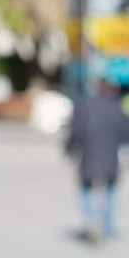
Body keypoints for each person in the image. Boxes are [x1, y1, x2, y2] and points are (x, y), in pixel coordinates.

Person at [65, 78, 129, 242]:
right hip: (110, 158)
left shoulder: (84, 107)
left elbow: (75, 131)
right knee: (110, 191)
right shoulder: (117, 108)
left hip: (89, 157)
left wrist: (70, 149)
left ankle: (90, 219)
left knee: (86, 189)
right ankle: (107, 227)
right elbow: (125, 134)